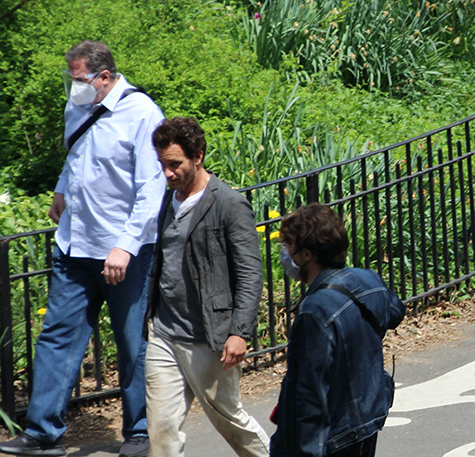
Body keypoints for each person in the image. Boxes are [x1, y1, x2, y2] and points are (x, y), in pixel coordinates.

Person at [0, 41, 165, 457]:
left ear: (104, 77)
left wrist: (125, 247)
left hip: (124, 252)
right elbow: (76, 158)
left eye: (79, 79)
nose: (73, 87)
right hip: (75, 247)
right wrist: (60, 190)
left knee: (132, 343)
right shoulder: (78, 108)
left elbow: (152, 188)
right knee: (57, 336)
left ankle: (140, 430)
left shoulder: (142, 114)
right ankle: (42, 432)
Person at [145, 117, 270, 457]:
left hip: (209, 337)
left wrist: (239, 332)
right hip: (165, 332)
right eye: (162, 165)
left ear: (198, 156)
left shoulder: (228, 203)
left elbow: (249, 273)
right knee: (161, 431)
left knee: (229, 420)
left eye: (175, 165)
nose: (168, 173)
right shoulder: (168, 201)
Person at [271, 204, 406, 457]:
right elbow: (394, 312)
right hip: (367, 419)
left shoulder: (314, 311)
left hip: (335, 436)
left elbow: (311, 392)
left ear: (306, 254)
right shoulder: (367, 279)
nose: (286, 253)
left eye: (289, 246)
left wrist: (306, 450)